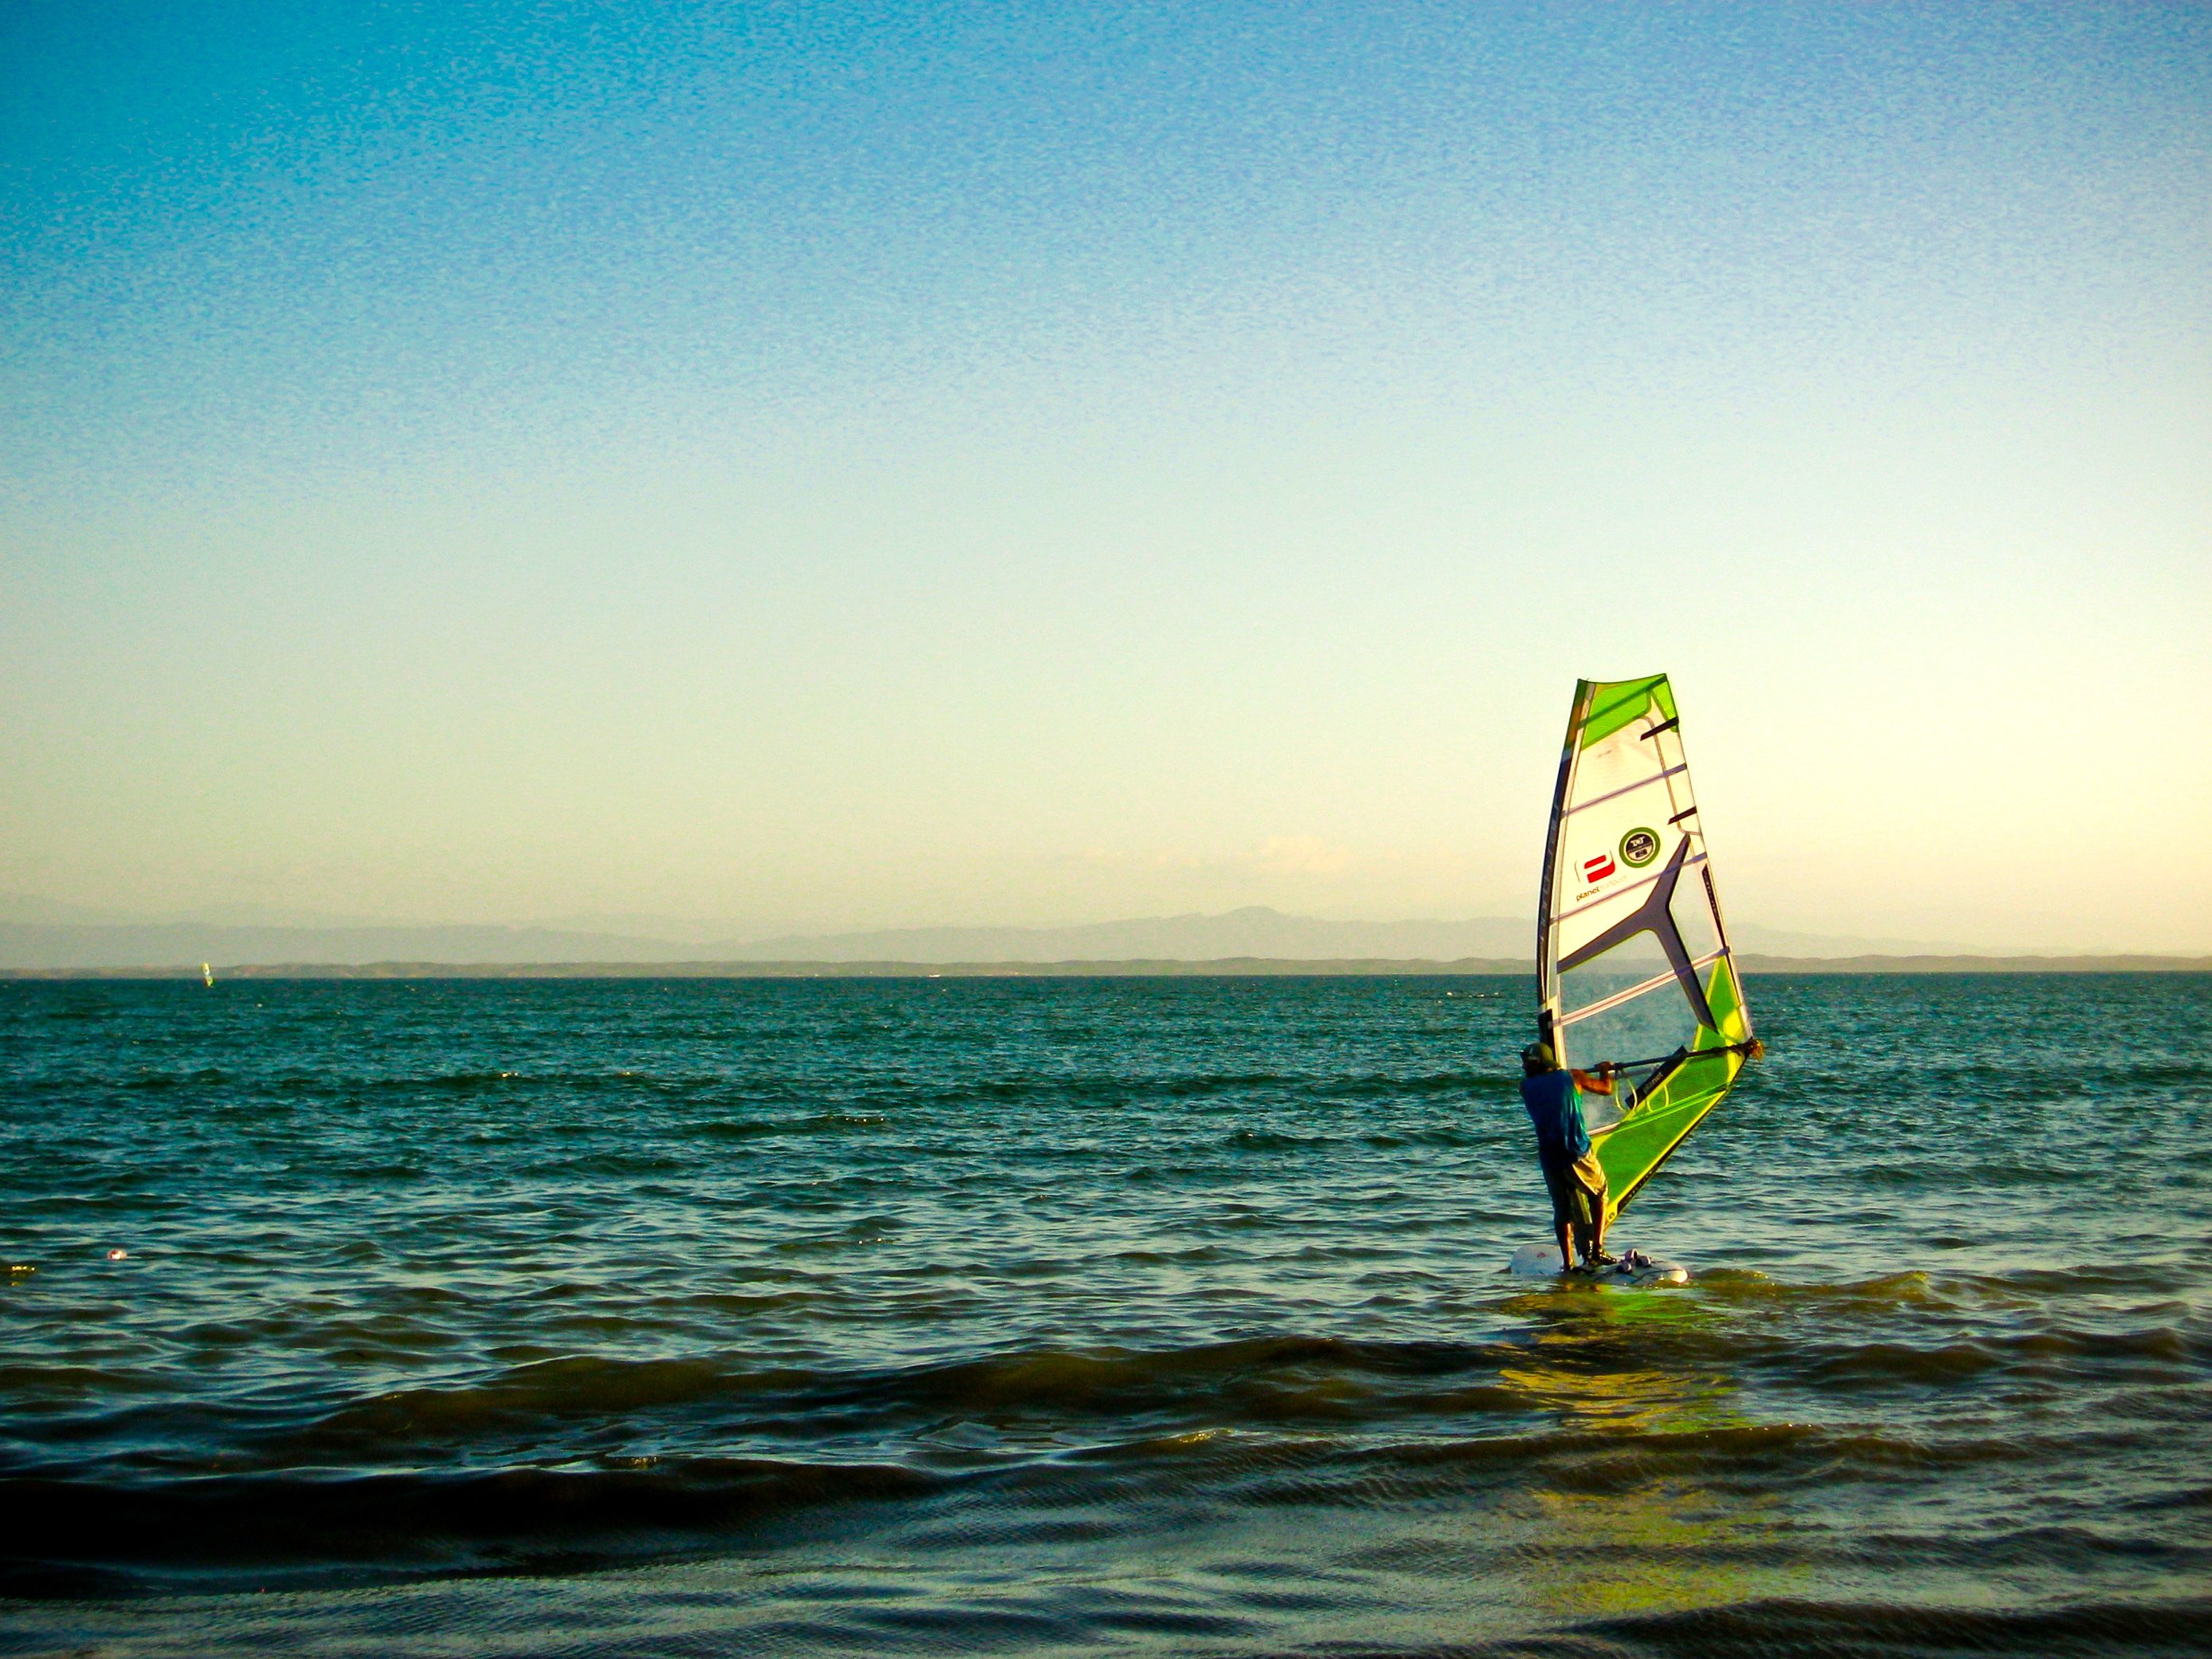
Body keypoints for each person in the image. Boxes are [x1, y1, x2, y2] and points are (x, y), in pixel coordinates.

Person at [1518, 1041, 1619, 1271]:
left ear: (1538, 1062)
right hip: (1576, 1152)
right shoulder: (1574, 1077)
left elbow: (1550, 1088)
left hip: (1549, 1157)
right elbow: (1606, 1088)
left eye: (1527, 1062)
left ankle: (1568, 1264)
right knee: (1600, 1192)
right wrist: (1606, 1070)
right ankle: (1597, 1251)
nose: (1523, 1066)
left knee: (1562, 1210)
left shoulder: (1524, 1087)